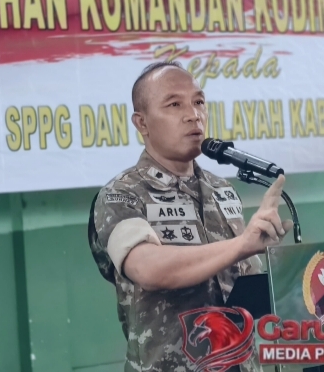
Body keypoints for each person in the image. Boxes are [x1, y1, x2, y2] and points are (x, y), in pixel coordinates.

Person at [89, 61, 293, 372]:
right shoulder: (122, 194)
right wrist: (241, 245)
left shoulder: (222, 190)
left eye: (199, 102)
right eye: (174, 104)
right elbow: (148, 268)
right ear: (142, 123)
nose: (193, 115)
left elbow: (242, 282)